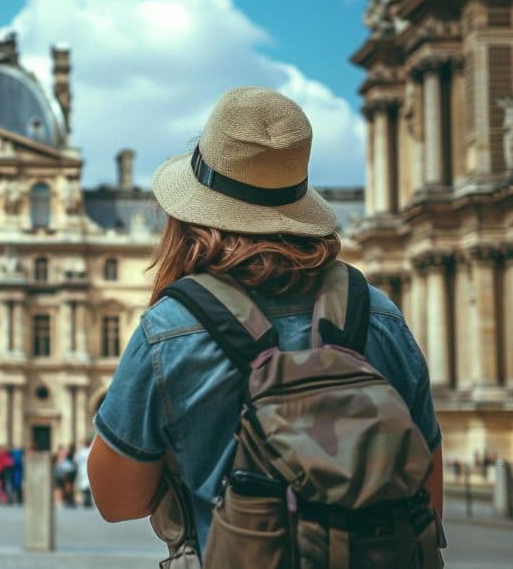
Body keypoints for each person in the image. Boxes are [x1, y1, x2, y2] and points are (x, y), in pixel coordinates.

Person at [88, 88, 443, 560]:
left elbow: (117, 501)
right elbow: (426, 496)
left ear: (193, 214)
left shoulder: (171, 328)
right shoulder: (379, 315)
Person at [73, 437, 92, 508]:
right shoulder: (90, 450)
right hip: (87, 470)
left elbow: (75, 460)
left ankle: (86, 501)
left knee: (84, 486)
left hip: (82, 470)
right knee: (88, 485)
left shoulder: (81, 451)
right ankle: (87, 501)